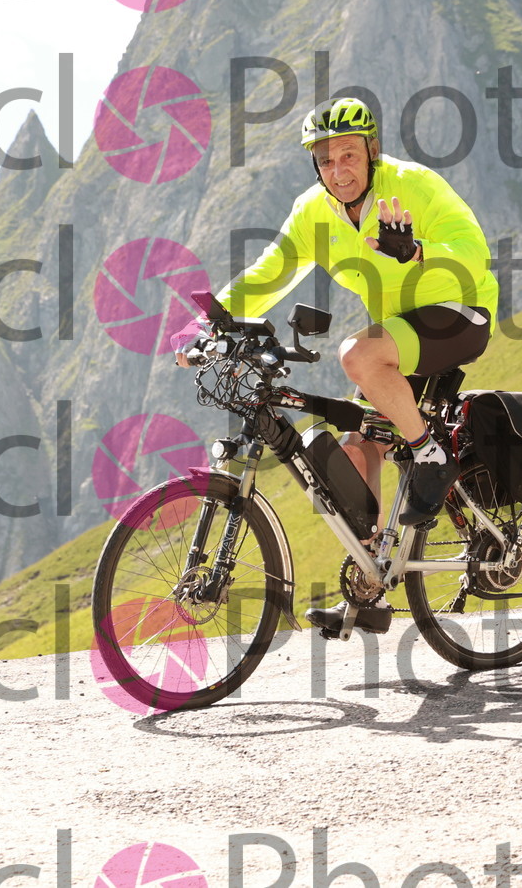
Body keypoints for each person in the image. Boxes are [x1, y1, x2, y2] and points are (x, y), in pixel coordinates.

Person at [175, 97, 499, 636]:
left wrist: (417, 250)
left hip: (459, 313)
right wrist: (204, 325)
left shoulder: (413, 186)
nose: (338, 169)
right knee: (354, 452)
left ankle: (431, 455)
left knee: (357, 353)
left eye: (349, 155)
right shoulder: (314, 212)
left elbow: (474, 250)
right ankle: (372, 588)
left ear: (372, 151)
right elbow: (269, 273)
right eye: (326, 160)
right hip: (398, 338)